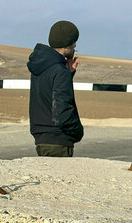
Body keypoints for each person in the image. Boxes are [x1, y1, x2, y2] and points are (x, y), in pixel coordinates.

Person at [28, 20, 84, 157]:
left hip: (41, 138)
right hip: (58, 142)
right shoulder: (60, 71)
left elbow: (48, 96)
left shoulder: (40, 67)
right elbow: (62, 112)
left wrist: (68, 75)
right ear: (69, 44)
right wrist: (78, 132)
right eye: (74, 43)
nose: (75, 47)